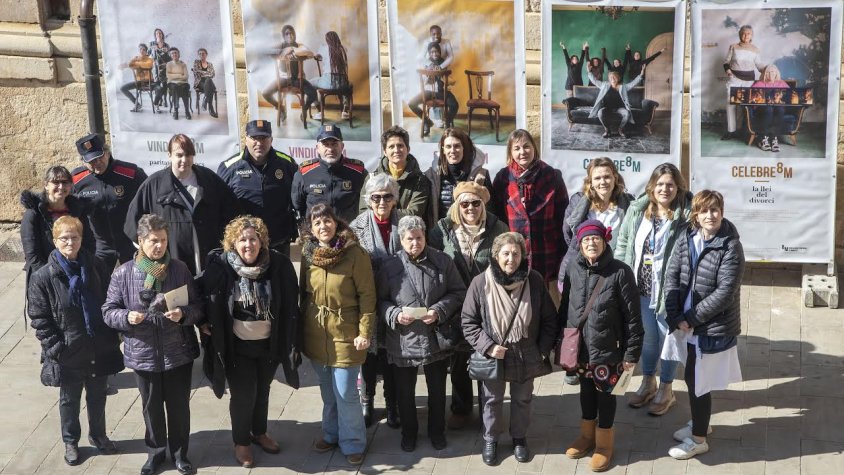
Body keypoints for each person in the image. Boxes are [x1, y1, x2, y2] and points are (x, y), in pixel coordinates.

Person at [103, 214, 203, 475]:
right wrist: (127, 317)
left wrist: (184, 314)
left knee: (179, 407)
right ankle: (156, 452)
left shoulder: (179, 269)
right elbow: (108, 311)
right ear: (140, 241)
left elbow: (198, 307)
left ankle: (181, 454)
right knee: (151, 408)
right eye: (153, 241)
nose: (159, 246)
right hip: (143, 354)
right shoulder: (124, 273)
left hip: (177, 352)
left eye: (163, 241)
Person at [201, 216, 300, 468]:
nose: (248, 244)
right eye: (242, 239)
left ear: (262, 241)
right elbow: (201, 294)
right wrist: (202, 321)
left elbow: (291, 302)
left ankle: (259, 432)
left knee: (263, 391)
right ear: (233, 243)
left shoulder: (279, 264)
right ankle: (241, 442)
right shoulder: (220, 266)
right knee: (244, 394)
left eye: (253, 239)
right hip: (237, 347)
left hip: (269, 344)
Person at [27, 216, 123, 466]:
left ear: (82, 239)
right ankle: (71, 441)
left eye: (75, 237)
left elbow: (110, 300)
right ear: (54, 240)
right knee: (70, 399)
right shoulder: (43, 277)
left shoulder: (96, 266)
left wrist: (114, 335)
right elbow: (39, 318)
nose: (70, 242)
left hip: (98, 344)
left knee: (98, 394)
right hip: (68, 349)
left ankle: (99, 436)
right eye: (64, 238)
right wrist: (57, 348)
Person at [461, 232, 556, 466]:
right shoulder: (480, 283)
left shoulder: (534, 280)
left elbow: (550, 319)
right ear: (496, 255)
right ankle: (490, 438)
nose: (511, 259)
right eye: (505, 253)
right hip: (495, 354)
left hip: (527, 352)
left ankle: (519, 438)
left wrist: (542, 350)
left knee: (522, 399)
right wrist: (488, 346)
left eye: (516, 253)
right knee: (491, 399)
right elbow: (468, 321)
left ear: (523, 256)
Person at [664, 190, 744, 460]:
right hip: (686, 325)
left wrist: (691, 319)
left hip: (709, 327)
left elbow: (725, 293)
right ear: (695, 214)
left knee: (699, 381)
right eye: (705, 210)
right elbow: (672, 274)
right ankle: (702, 422)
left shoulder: (731, 245)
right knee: (692, 377)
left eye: (716, 210)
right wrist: (675, 314)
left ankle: (698, 440)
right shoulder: (687, 237)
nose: (711, 215)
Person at [377, 215, 466, 452]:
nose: (414, 243)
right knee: (404, 393)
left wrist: (439, 310)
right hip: (402, 340)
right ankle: (409, 433)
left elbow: (458, 292)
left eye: (418, 237)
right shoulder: (389, 265)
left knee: (437, 390)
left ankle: (437, 432)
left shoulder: (442, 261)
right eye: (409, 239)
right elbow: (379, 301)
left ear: (425, 236)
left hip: (435, 337)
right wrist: (394, 314)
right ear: (401, 240)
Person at [561, 220, 642, 472]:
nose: (591, 243)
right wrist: (560, 341)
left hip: (609, 349)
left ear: (604, 241)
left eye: (595, 238)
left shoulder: (620, 272)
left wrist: (631, 352)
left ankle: (604, 445)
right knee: (585, 392)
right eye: (586, 240)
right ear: (580, 244)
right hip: (581, 348)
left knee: (605, 396)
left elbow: (633, 317)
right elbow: (565, 306)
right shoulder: (573, 267)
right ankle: (587, 436)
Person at [428, 180, 508, 429]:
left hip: (488, 304)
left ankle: (488, 411)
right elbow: (431, 264)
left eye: (475, 202)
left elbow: (507, 264)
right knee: (459, 359)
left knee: (486, 358)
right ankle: (461, 408)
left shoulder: (497, 228)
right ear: (457, 205)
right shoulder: (442, 230)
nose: (470, 208)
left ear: (483, 204)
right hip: (455, 305)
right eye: (464, 203)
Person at [615, 163, 691, 416]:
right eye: (659, 184)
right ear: (651, 187)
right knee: (648, 339)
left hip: (669, 292)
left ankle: (667, 389)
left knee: (667, 340)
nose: (664, 189)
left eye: (670, 184)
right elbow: (624, 242)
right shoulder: (638, 211)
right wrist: (622, 278)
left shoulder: (684, 216)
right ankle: (648, 382)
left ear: (678, 187)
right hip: (641, 288)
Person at [300, 203, 374, 466]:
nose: (323, 227)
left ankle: (353, 442)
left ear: (337, 222)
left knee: (345, 392)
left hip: (347, 332)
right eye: (317, 222)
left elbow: (367, 296)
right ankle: (331, 434)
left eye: (327, 221)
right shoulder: (308, 254)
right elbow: (303, 294)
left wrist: (365, 332)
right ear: (311, 227)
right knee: (327, 392)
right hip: (316, 332)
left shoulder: (355, 254)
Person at [125, 133, 239, 276]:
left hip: (212, 268)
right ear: (169, 155)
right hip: (172, 271)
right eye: (179, 155)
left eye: (188, 155)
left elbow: (233, 216)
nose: (184, 160)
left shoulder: (210, 180)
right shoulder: (153, 186)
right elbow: (132, 226)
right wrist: (152, 257)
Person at [348, 175, 404, 428]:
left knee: (393, 355)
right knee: (368, 354)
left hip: (398, 299)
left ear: (395, 199)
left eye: (387, 196)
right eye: (376, 197)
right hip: (367, 300)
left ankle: (393, 403)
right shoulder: (356, 227)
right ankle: (367, 400)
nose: (382, 201)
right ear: (368, 200)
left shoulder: (406, 222)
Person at [491, 129, 568, 304]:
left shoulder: (552, 176)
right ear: (511, 152)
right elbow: (498, 218)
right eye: (516, 148)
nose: (522, 152)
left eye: (526, 146)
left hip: (547, 255)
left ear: (534, 148)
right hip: (515, 256)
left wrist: (562, 254)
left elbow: (563, 218)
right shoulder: (503, 178)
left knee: (549, 312)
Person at [21, 166, 109, 292]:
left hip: (76, 273)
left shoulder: (78, 209)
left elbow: (88, 242)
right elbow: (32, 255)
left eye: (65, 182)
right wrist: (50, 277)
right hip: (45, 276)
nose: (61, 187)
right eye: (56, 182)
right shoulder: (34, 213)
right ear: (46, 185)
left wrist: (82, 268)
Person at [218, 120, 298, 256]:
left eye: (263, 138)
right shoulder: (229, 167)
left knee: (280, 277)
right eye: (254, 138)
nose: (259, 143)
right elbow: (219, 206)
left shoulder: (287, 164)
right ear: (246, 139)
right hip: (244, 245)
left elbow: (298, 199)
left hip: (278, 242)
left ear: (271, 139)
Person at [72, 133, 147, 267]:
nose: (97, 163)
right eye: (91, 161)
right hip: (99, 248)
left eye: (100, 157)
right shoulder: (76, 180)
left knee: (136, 285)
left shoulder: (131, 173)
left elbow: (148, 200)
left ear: (107, 152)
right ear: (83, 161)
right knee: (98, 286)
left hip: (130, 243)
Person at [559, 157, 634, 290]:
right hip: (581, 271)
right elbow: (568, 233)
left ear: (615, 178)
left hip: (614, 273)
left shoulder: (628, 204)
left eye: (607, 177)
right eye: (597, 178)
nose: (603, 182)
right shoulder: (578, 202)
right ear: (590, 182)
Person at [291, 124, 367, 225]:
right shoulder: (304, 173)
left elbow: (366, 205)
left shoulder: (358, 172)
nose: (330, 149)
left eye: (334, 144)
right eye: (326, 144)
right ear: (317, 148)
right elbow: (297, 206)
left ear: (342, 146)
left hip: (348, 235)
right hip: (317, 235)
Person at [359, 126, 432, 227]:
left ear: (408, 149)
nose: (396, 150)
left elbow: (415, 213)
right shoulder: (372, 178)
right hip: (378, 234)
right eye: (391, 147)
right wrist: (400, 213)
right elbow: (363, 212)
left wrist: (381, 211)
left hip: (407, 237)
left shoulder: (420, 180)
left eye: (400, 145)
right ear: (385, 151)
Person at [423, 128, 493, 226]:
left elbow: (490, 213)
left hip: (472, 236)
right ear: (443, 149)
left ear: (464, 147)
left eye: (457, 146)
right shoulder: (432, 177)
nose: (452, 151)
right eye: (448, 146)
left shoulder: (481, 176)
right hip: (440, 236)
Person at [261, 25, 322, 122]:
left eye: (292, 33)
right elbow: (266, 51)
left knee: (313, 93)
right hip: (283, 79)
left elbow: (310, 53)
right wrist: (282, 51)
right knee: (265, 93)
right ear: (284, 36)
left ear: (295, 34)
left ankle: (304, 109)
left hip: (298, 80)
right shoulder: (280, 45)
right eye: (287, 34)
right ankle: (281, 108)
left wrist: (292, 49)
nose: (290, 36)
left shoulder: (299, 46)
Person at [722, 25, 766, 141]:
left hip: (749, 81)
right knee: (730, 104)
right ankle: (731, 131)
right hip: (734, 79)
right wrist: (728, 71)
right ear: (740, 34)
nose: (746, 35)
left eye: (748, 33)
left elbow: (759, 65)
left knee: (745, 105)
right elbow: (726, 62)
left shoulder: (755, 49)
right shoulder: (733, 47)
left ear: (751, 35)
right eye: (743, 33)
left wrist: (768, 69)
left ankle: (742, 130)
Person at [408, 42, 459, 136]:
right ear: (429, 53)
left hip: (441, 91)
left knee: (454, 104)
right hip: (428, 92)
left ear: (439, 52)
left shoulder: (444, 63)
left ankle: (447, 122)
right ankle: (427, 122)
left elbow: (452, 81)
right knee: (411, 103)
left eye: (436, 52)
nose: (434, 54)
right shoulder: (426, 63)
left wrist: (441, 72)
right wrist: (428, 74)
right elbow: (423, 81)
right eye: (431, 52)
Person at [587, 67, 645, 138]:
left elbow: (633, 83)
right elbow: (594, 81)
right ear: (609, 79)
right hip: (607, 108)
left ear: (618, 78)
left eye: (615, 77)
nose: (613, 79)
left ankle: (620, 129)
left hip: (619, 108)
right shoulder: (604, 85)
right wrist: (589, 72)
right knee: (600, 113)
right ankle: (607, 129)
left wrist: (641, 74)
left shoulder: (623, 87)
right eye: (611, 77)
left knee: (627, 114)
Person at [750, 64, 790, 152]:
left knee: (780, 109)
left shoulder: (782, 83)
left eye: (773, 72)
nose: (771, 74)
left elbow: (789, 97)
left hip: (777, 108)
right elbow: (751, 99)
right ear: (765, 74)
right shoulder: (759, 84)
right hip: (762, 109)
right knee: (769, 109)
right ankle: (763, 139)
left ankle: (774, 139)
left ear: (777, 73)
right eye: (769, 72)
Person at [313, 31, 351, 120]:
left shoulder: (324, 48)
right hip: (342, 83)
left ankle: (319, 111)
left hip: (328, 82)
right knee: (347, 85)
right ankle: (345, 111)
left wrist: (319, 56)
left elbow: (317, 56)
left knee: (310, 84)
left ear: (327, 40)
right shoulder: (343, 49)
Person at [119, 43, 155, 112]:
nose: (142, 51)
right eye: (140, 49)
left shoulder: (149, 59)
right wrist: (134, 59)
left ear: (146, 51)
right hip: (139, 82)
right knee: (123, 88)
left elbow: (148, 65)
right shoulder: (136, 59)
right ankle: (137, 104)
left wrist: (137, 63)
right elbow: (130, 65)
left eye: (144, 49)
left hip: (149, 81)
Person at [192, 48, 218, 117]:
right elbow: (196, 73)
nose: (201, 55)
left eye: (203, 53)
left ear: (206, 55)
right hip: (199, 83)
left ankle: (206, 100)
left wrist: (202, 73)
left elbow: (213, 74)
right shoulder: (196, 62)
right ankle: (210, 108)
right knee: (209, 82)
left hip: (207, 83)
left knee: (208, 80)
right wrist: (207, 73)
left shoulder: (210, 64)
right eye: (200, 54)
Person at [166, 47, 191, 120]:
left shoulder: (183, 64)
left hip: (183, 84)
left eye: (175, 53)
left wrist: (175, 76)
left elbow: (186, 76)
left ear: (178, 54)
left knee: (184, 88)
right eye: (172, 53)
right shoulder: (169, 64)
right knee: (175, 87)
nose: (174, 54)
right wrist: (180, 75)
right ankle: (176, 110)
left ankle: (186, 111)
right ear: (170, 55)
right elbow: (168, 76)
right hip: (172, 84)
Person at [149, 28, 171, 107]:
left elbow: (170, 57)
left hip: (164, 68)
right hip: (155, 68)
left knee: (164, 84)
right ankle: (159, 100)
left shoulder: (166, 45)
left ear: (162, 35)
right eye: (157, 33)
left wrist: (167, 63)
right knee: (157, 84)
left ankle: (164, 99)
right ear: (155, 35)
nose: (158, 35)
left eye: (160, 33)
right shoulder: (152, 44)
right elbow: (148, 55)